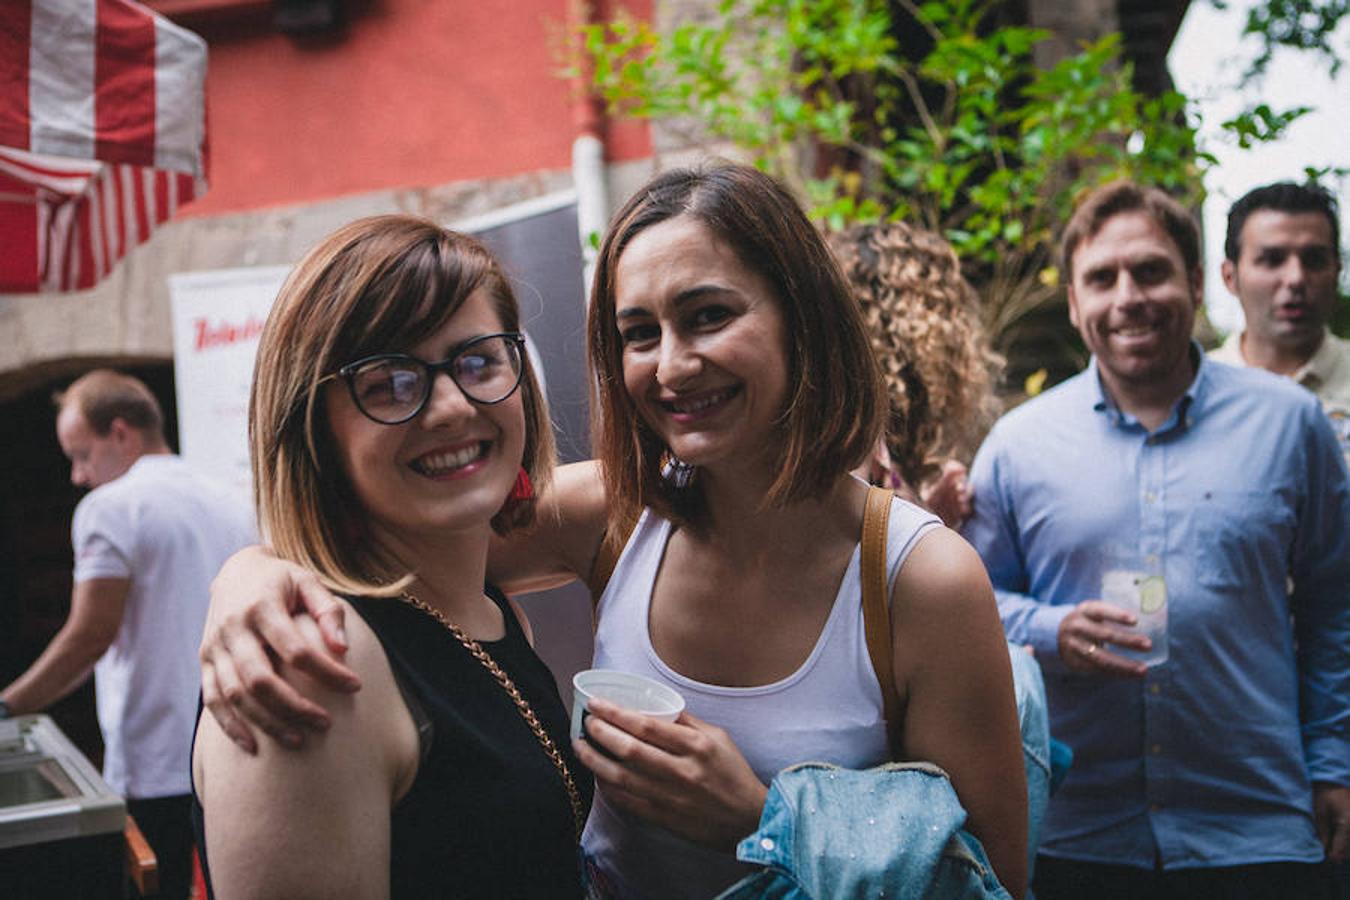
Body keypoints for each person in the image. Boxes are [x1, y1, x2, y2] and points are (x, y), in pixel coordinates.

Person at [197, 164, 1029, 899]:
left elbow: (988, 881)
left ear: (802, 319)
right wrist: (248, 578)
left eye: (707, 315)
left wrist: (764, 817)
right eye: (639, 334)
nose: (670, 364)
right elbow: (381, 541)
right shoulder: (620, 512)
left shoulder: (921, 581)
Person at [962, 179, 1350, 899]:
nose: (1127, 297)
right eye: (1101, 279)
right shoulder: (1017, 446)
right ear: (1075, 303)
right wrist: (1050, 630)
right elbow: (965, 607)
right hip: (1074, 832)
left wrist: (1335, 764)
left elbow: (1335, 604)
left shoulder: (1291, 425)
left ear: (1198, 284)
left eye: (1150, 271)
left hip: (1256, 828)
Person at [190, 216, 592, 898]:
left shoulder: (487, 607)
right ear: (314, 427)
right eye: (389, 383)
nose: (449, 407)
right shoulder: (313, 664)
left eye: (478, 361)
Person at [0, 369, 255, 900]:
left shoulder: (109, 508)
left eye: (82, 455)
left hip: (155, 759)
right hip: (237, 746)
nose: (77, 476)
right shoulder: (233, 498)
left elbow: (89, 636)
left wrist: (8, 706)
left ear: (120, 433)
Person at [829, 222, 1004, 527]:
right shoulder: (863, 454)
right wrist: (932, 522)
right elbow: (885, 561)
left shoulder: (847, 434)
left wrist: (930, 508)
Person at [1210, 181, 1349, 461]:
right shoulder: (1193, 392)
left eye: (1314, 259)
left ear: (1337, 271)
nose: (1296, 278)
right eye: (1272, 260)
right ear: (1230, 277)